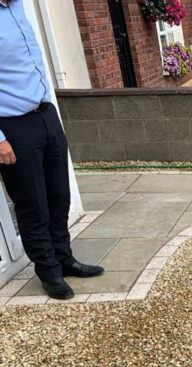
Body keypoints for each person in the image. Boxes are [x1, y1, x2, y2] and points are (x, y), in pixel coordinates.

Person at [0, 0, 103, 300]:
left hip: (45, 113)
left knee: (59, 196)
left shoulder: (18, 7)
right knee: (33, 204)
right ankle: (49, 271)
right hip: (14, 124)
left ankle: (64, 258)